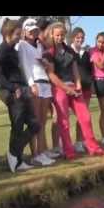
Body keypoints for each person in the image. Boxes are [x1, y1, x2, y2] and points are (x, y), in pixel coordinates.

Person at [46, 22, 104, 159]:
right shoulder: (49, 52)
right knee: (64, 121)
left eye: (62, 35)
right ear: (52, 35)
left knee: (85, 118)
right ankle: (69, 151)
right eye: (57, 35)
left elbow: (74, 69)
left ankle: (94, 148)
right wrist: (66, 88)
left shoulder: (69, 50)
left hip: (74, 88)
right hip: (59, 88)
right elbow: (51, 74)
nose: (59, 37)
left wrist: (78, 84)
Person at [0, 18, 40, 173]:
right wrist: (13, 88)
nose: (19, 36)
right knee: (17, 126)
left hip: (23, 89)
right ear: (8, 33)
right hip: (14, 92)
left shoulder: (14, 49)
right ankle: (17, 160)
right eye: (17, 34)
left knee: (35, 125)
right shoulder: (1, 52)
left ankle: (14, 154)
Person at [17, 18, 55, 167]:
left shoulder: (39, 45)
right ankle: (35, 155)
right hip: (35, 84)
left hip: (45, 82)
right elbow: (25, 66)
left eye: (35, 30)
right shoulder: (22, 45)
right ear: (25, 31)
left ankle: (41, 151)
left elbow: (42, 60)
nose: (33, 33)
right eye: (31, 30)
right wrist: (31, 84)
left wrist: (45, 64)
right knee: (35, 121)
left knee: (43, 121)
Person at [37, 18, 62, 159]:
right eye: (49, 30)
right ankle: (43, 148)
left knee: (56, 117)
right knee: (41, 119)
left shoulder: (48, 45)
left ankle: (55, 146)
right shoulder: (38, 44)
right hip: (41, 84)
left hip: (51, 84)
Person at [70, 27, 95, 153]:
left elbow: (90, 70)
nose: (80, 39)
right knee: (81, 116)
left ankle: (83, 141)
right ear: (72, 38)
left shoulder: (86, 53)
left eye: (82, 37)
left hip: (86, 88)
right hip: (74, 90)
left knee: (84, 117)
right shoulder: (69, 52)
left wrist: (91, 84)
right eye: (78, 37)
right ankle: (76, 143)